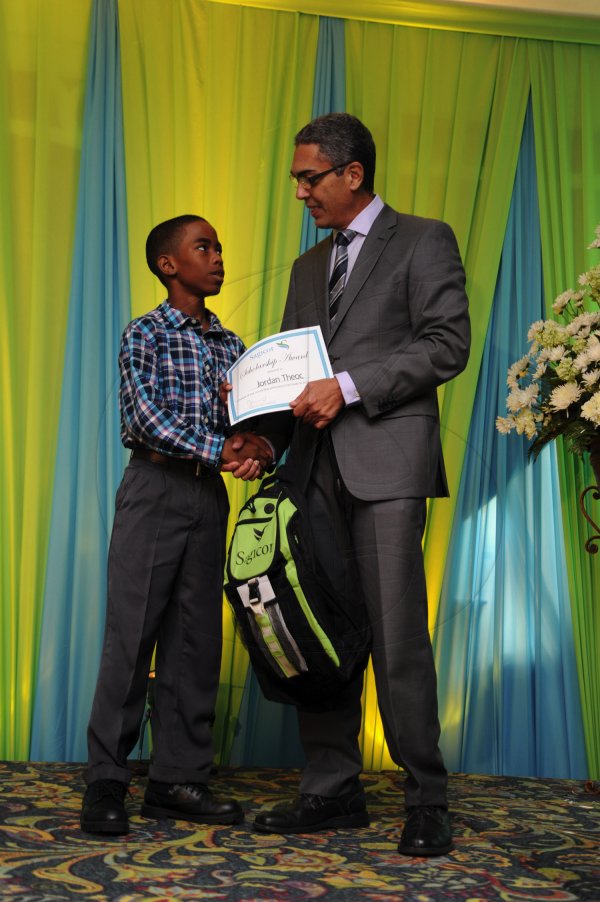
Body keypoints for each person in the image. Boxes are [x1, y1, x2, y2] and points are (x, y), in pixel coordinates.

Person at [252, 114, 470, 856]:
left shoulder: (425, 238)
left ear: (353, 174)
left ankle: (426, 799)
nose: (301, 192)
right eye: (296, 179)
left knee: (398, 635)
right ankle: (331, 789)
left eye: (309, 177)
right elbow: (291, 379)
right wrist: (262, 438)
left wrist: (347, 386)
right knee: (321, 632)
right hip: (312, 472)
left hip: (386, 469)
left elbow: (447, 345)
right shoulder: (306, 268)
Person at [80, 214, 273, 835]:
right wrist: (219, 449)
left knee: (195, 640)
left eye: (219, 245)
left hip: (206, 498)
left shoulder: (233, 346)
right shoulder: (145, 334)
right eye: (204, 246)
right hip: (154, 487)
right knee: (131, 635)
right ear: (169, 264)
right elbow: (144, 419)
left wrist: (255, 447)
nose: (218, 256)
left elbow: (251, 423)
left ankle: (177, 780)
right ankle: (107, 780)